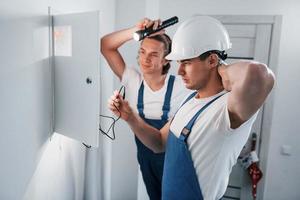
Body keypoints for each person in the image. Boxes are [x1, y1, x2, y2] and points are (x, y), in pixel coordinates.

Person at [108, 16, 275, 200]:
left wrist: (222, 69)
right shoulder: (190, 100)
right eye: (179, 63)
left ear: (212, 60)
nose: (179, 71)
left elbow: (260, 74)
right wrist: (130, 117)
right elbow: (158, 143)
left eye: (186, 63)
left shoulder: (227, 109)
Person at [101, 18, 190, 199]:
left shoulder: (182, 86)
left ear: (166, 60)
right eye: (142, 52)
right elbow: (105, 45)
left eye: (154, 54)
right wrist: (136, 29)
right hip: (146, 161)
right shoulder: (132, 80)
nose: (145, 59)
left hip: (174, 163)